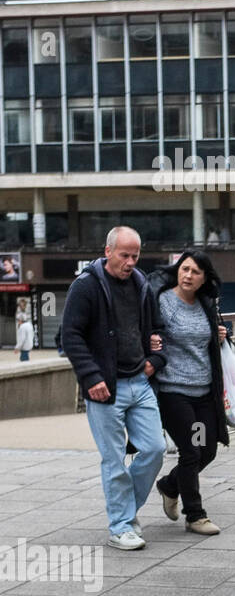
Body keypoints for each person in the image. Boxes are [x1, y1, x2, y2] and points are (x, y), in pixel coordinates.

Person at [62, 227, 167, 551]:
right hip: (105, 388)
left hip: (139, 381)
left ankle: (125, 514)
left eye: (136, 256)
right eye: (125, 255)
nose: (131, 262)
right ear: (107, 251)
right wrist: (91, 378)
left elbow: (158, 329)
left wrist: (155, 359)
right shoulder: (86, 286)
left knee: (154, 449)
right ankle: (120, 526)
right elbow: (70, 336)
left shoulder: (141, 285)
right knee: (113, 460)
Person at [148, 250, 229, 536]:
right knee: (191, 451)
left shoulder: (206, 303)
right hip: (173, 391)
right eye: (184, 269)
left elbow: (205, 341)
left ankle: (170, 486)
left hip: (204, 391)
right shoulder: (163, 302)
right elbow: (149, 331)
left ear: (204, 278)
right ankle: (195, 515)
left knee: (207, 450)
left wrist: (220, 334)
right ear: (177, 270)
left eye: (195, 272)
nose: (188, 276)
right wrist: (151, 341)